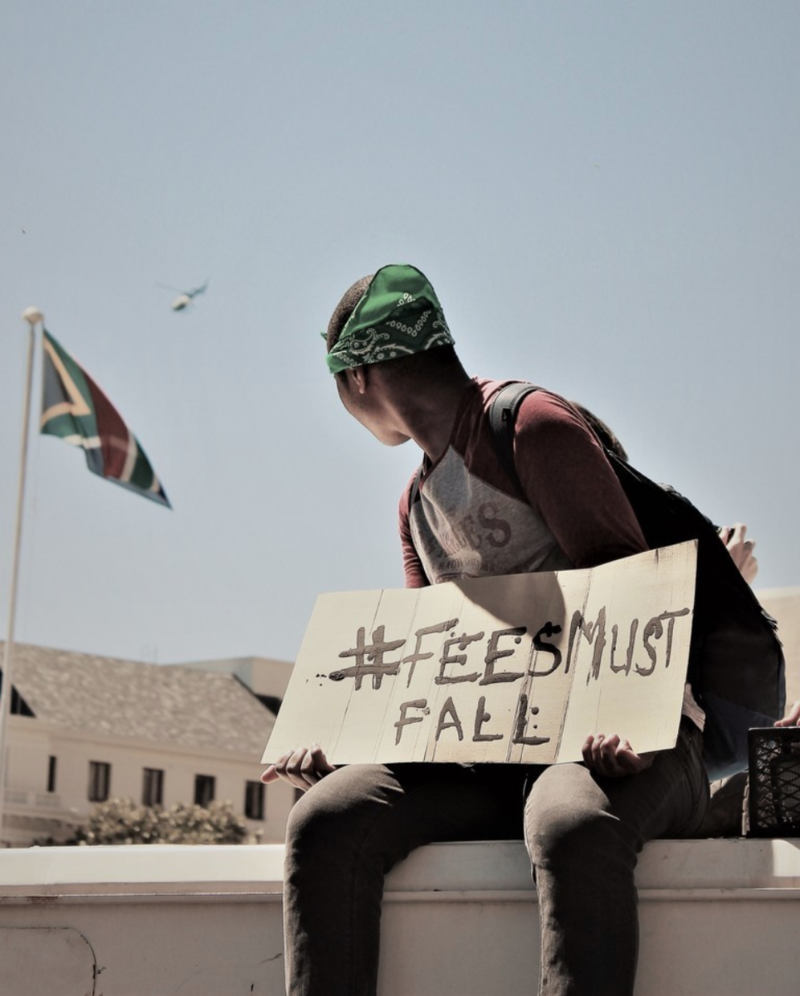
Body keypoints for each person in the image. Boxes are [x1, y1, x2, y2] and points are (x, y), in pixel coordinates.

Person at [262, 263, 711, 996]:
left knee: (570, 823)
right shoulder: (415, 503)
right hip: (498, 753)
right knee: (326, 821)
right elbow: (430, 678)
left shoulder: (531, 426)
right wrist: (342, 746)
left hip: (638, 743)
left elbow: (638, 601)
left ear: (359, 377)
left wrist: (625, 725)